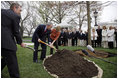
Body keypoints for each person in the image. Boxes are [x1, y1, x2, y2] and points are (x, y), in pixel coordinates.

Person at [1, 3, 26, 78]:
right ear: (15, 8)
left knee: (5, 57)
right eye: (19, 10)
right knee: (12, 62)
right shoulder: (15, 16)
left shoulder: (2, 11)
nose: (20, 12)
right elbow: (16, 31)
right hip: (6, 41)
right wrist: (20, 42)